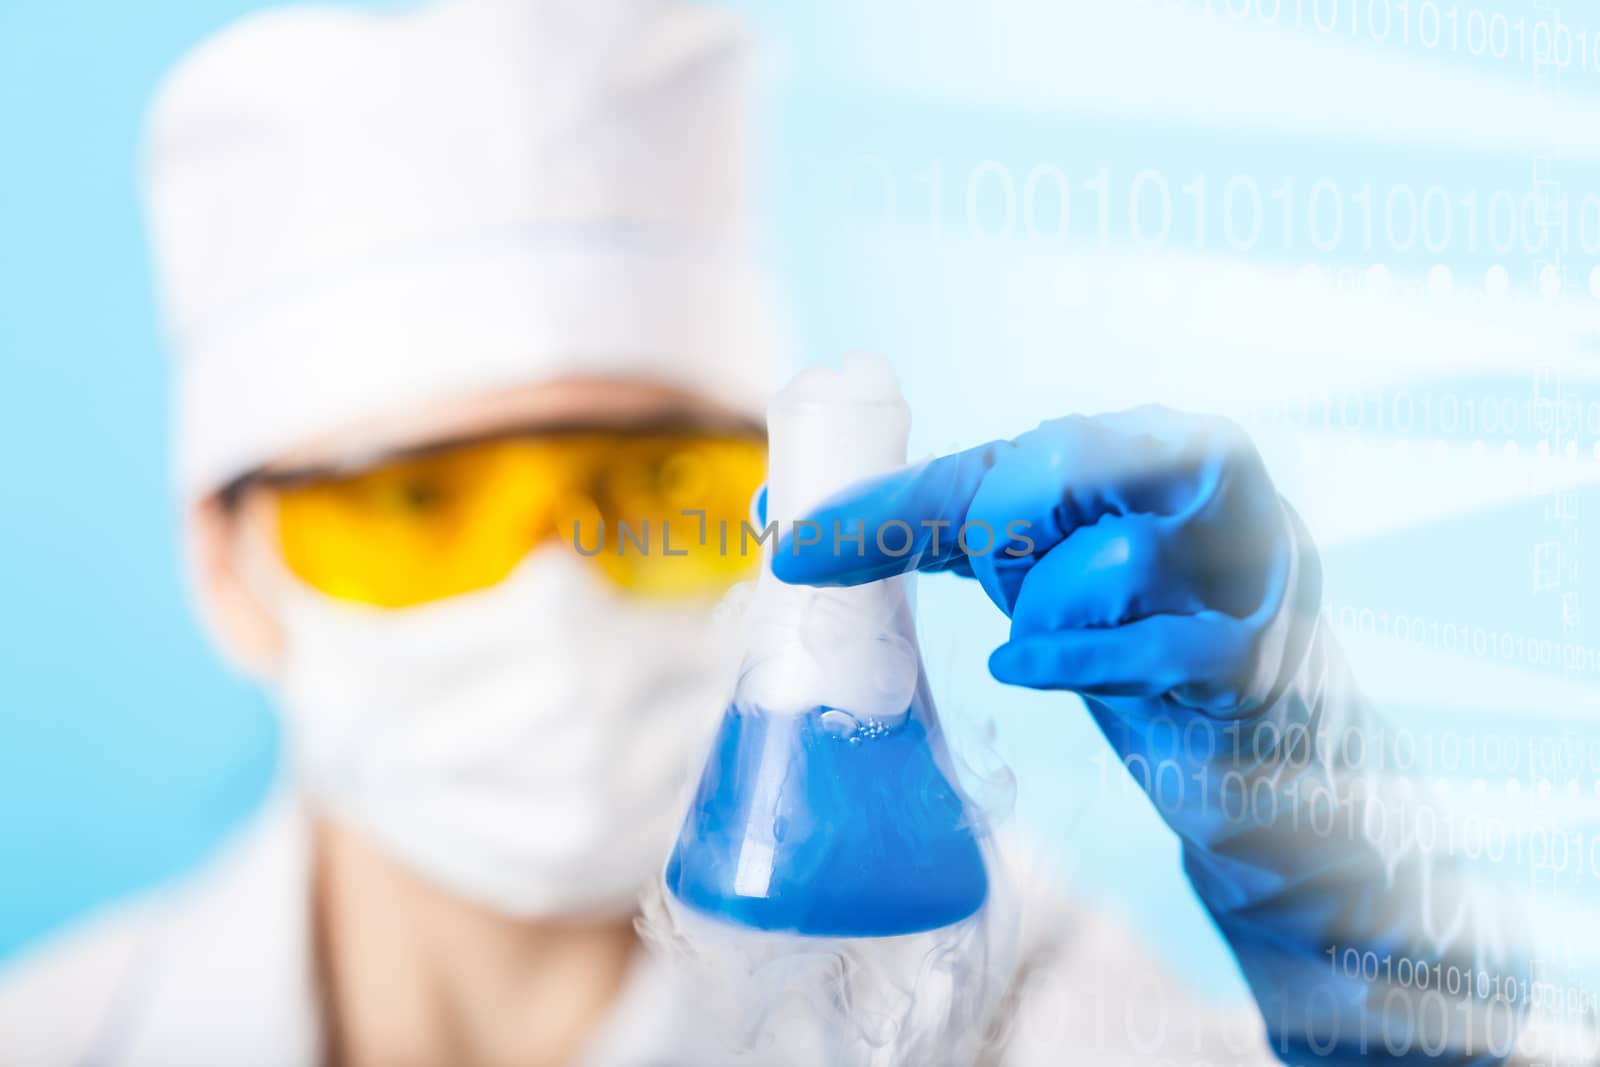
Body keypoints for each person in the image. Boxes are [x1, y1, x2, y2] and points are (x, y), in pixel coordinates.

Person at [0, 1, 1543, 1065]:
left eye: (654, 492)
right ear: (229, 567)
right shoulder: (57, 1038)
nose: (554, 588)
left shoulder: (1006, 1004)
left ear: (780, 515)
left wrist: (1373, 933)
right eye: (422, 503)